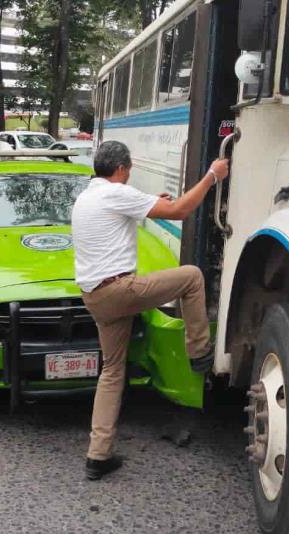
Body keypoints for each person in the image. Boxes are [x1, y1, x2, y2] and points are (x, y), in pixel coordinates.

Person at [71, 140, 230, 480]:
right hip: (118, 290)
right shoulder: (116, 193)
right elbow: (181, 212)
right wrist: (211, 177)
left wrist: (154, 202)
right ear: (121, 169)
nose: (129, 176)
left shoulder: (88, 196)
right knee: (191, 277)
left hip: (94, 296)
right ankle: (200, 351)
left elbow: (139, 210)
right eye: (128, 170)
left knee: (112, 372)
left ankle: (97, 456)